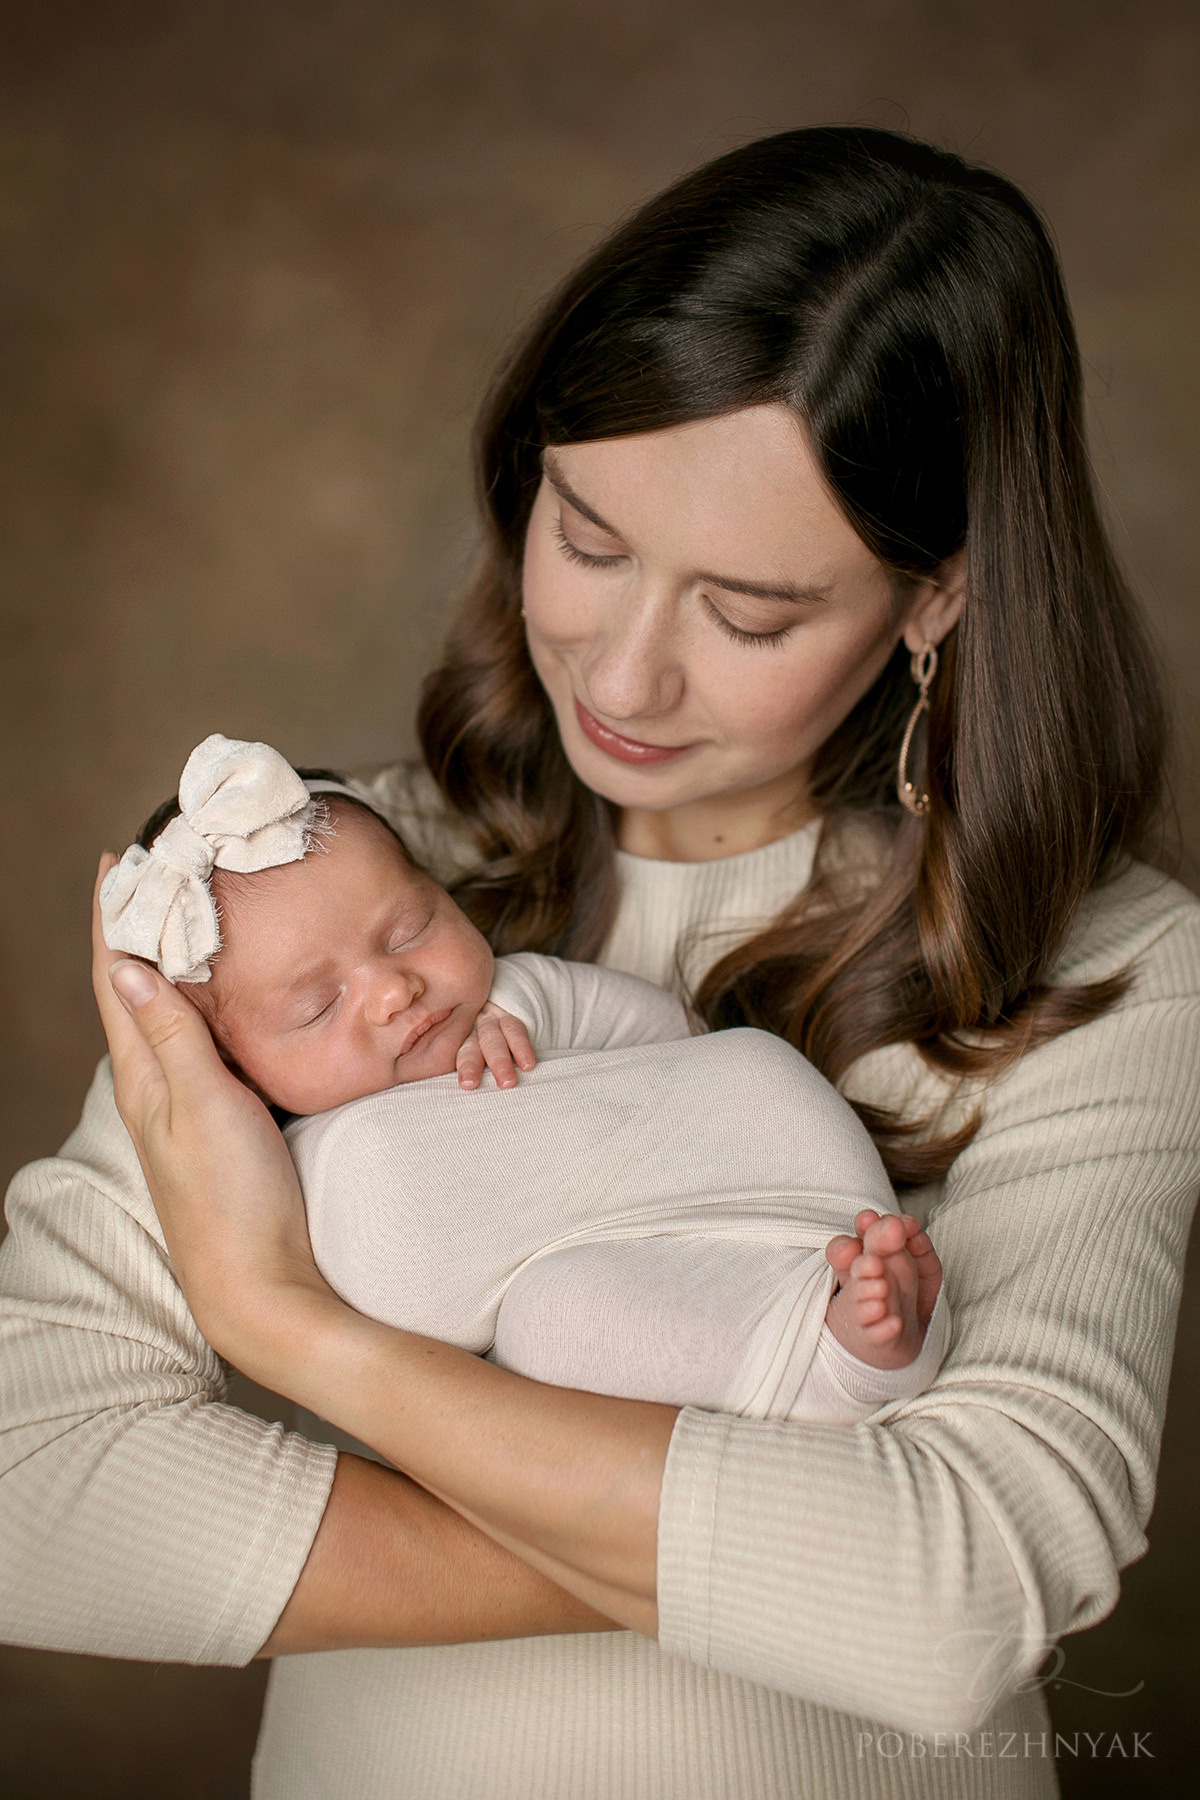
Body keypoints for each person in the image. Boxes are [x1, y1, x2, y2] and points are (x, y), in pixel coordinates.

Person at [3, 124, 1199, 1800]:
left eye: (753, 613)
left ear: (936, 597)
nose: (624, 675)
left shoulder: (1115, 969)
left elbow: (963, 1603)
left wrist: (293, 1329)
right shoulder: (332, 898)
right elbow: (28, 1479)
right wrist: (762, 1559)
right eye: (587, 533)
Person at [98, 729, 948, 1417]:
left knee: (754, 1063)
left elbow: (675, 1038)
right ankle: (849, 1354)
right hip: (662, 1281)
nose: (396, 991)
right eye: (318, 1007)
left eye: (409, 930)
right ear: (233, 1068)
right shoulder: (258, 1175)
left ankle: (859, 1332)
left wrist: (528, 1010)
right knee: (551, 1328)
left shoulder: (511, 1004)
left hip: (758, 1151)